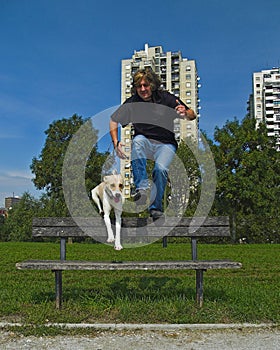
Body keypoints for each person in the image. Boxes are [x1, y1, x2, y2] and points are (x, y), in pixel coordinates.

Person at [110, 68, 196, 220]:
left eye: (146, 85)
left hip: (165, 144)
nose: (143, 90)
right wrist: (116, 142)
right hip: (145, 142)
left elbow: (191, 115)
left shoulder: (165, 98)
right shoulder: (132, 102)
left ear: (153, 85)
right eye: (139, 86)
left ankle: (155, 208)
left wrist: (185, 112)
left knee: (160, 169)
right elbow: (113, 120)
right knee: (137, 141)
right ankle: (141, 190)